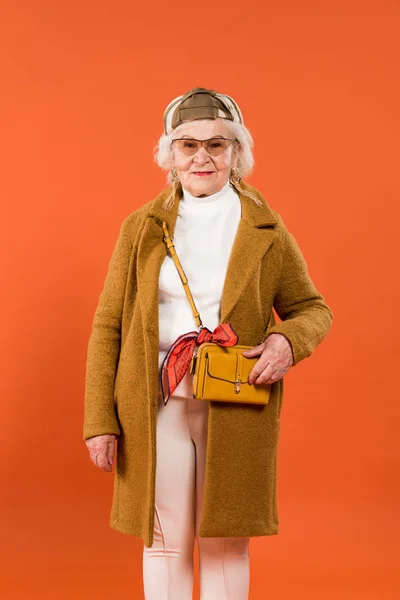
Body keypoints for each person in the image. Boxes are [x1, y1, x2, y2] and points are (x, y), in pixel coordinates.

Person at [83, 86, 333, 600]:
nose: (202, 157)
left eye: (217, 145)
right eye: (188, 145)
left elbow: (313, 309)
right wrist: (98, 421)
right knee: (164, 543)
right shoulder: (141, 228)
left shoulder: (264, 226)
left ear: (237, 153)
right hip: (155, 406)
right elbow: (109, 324)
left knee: (225, 546)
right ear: (169, 155)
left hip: (238, 405)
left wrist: (287, 341)